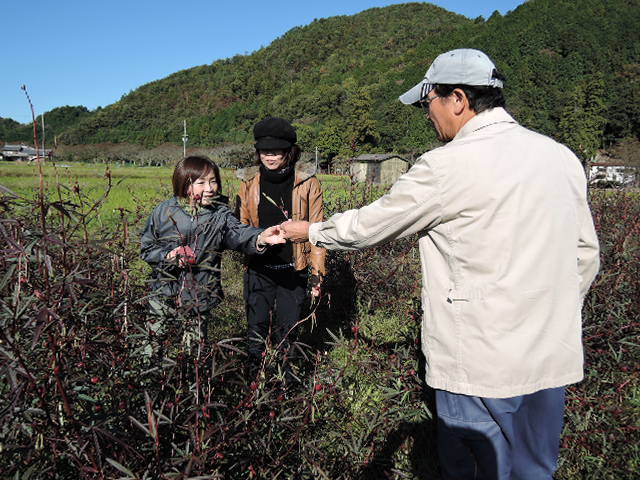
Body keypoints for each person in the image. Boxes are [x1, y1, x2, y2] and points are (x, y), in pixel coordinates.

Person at [281, 49, 600, 479]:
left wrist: (312, 232)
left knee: (471, 465)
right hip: (548, 355)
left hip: (479, 358)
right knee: (534, 469)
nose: (426, 116)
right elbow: (585, 254)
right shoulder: (558, 156)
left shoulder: (448, 164)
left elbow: (373, 224)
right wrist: (550, 309)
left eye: (426, 103)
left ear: (457, 99)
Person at [140, 155, 285, 356]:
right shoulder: (164, 212)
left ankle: (191, 385)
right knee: (153, 346)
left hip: (199, 294)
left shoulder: (220, 215)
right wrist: (168, 255)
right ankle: (151, 384)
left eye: (213, 181)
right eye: (201, 182)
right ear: (184, 183)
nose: (209, 188)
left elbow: (238, 233)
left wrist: (260, 237)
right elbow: (146, 248)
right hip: (163, 291)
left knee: (193, 353)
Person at [235, 117, 326, 374]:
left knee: (288, 334)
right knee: (256, 331)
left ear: (290, 151)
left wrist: (317, 274)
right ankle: (253, 385)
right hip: (258, 270)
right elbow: (240, 228)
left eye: (276, 151)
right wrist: (257, 241)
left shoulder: (308, 183)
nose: (270, 157)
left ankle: (284, 388)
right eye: (265, 151)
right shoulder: (248, 183)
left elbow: (319, 231)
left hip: (293, 270)